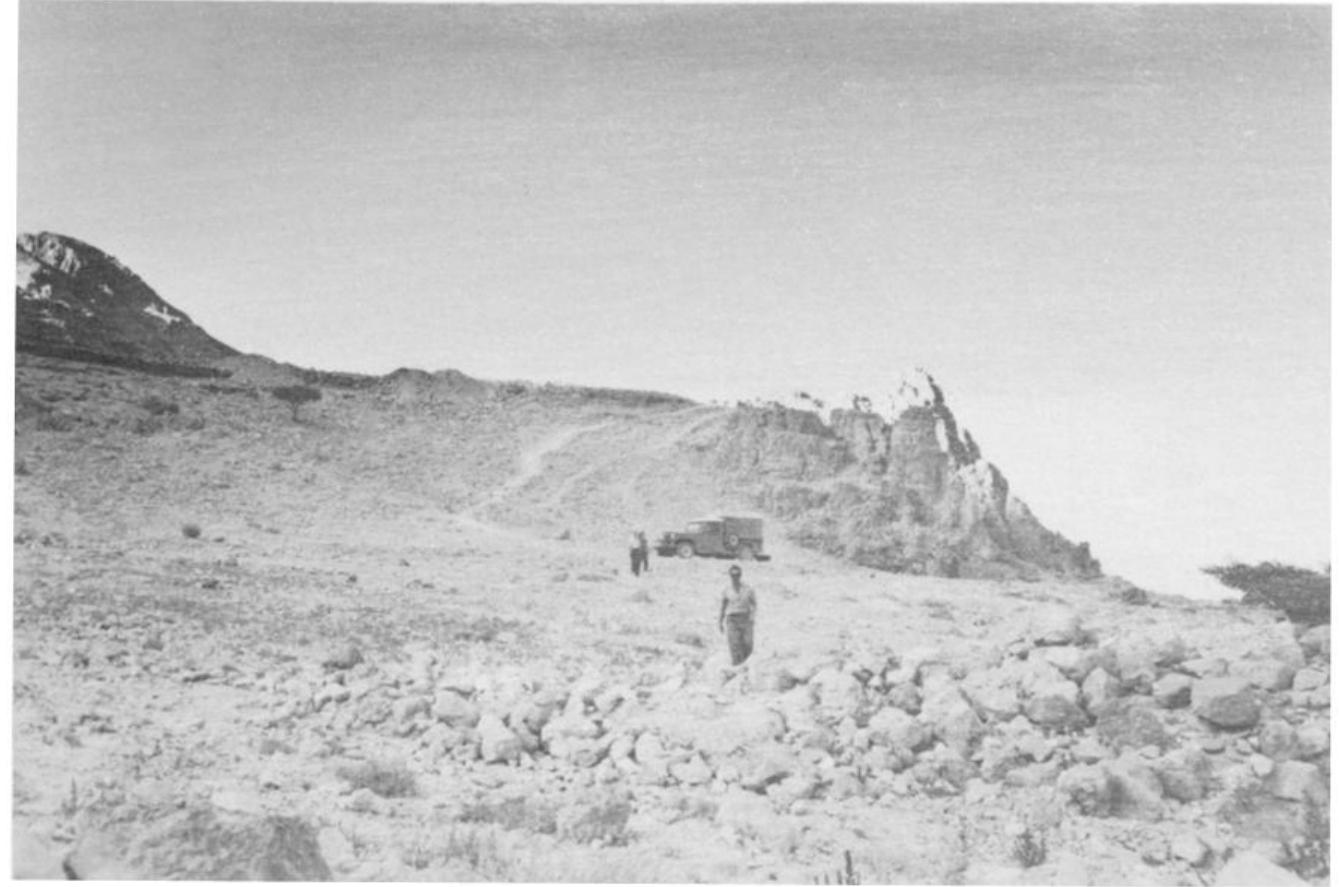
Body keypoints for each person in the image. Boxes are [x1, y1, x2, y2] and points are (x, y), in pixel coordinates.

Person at [718, 564, 757, 665]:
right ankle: (736, 665)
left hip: (745, 618)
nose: (735, 578)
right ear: (730, 576)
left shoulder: (748, 589)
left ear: (740, 575)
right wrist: (720, 622)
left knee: (747, 643)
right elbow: (723, 606)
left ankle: (747, 665)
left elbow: (754, 604)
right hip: (732, 619)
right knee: (734, 644)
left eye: (737, 575)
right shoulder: (727, 590)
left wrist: (752, 617)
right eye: (733, 575)